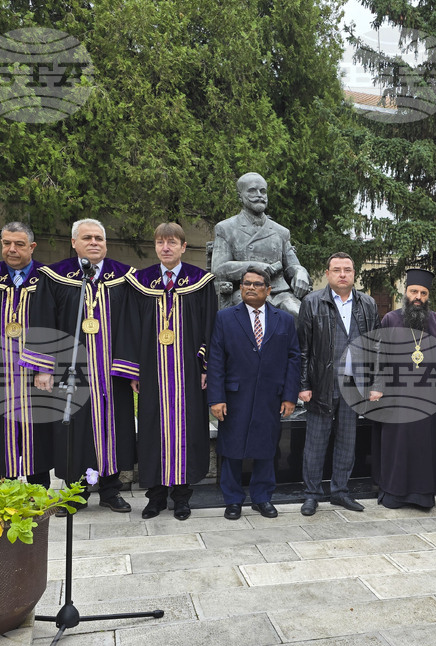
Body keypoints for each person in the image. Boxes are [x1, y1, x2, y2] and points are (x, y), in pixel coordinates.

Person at [40, 219, 139, 512]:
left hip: (112, 372)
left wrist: (131, 368)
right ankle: (75, 492)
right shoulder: (56, 276)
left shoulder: (124, 277)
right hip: (72, 370)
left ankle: (111, 490)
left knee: (114, 427)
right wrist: (44, 368)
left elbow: (133, 324)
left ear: (106, 244)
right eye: (87, 237)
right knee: (73, 429)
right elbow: (45, 321)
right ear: (74, 243)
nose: (94, 242)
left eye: (99, 238)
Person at [128, 223, 216, 521]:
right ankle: (154, 497)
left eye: (171, 242)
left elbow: (210, 328)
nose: (165, 247)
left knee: (187, 431)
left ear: (183, 247)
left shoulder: (200, 282)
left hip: (188, 372)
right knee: (152, 431)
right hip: (152, 373)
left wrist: (205, 367)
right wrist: (133, 371)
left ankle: (181, 497)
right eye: (160, 242)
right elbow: (131, 329)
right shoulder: (141, 282)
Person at [208, 266, 300, 520]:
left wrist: (290, 396)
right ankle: (233, 500)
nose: (250, 287)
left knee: (267, 448)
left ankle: (262, 498)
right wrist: (216, 398)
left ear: (268, 290)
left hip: (270, 397)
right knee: (232, 448)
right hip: (234, 397)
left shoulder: (284, 320)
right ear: (240, 287)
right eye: (246, 283)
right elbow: (216, 360)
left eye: (257, 284)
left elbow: (294, 359)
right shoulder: (225, 318)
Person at [0, 222, 55, 487]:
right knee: (0, 428)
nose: (12, 249)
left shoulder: (48, 278)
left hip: (35, 369)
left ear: (32, 247)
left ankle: (39, 488)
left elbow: (54, 323)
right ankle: (4, 488)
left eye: (19, 244)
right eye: (7, 243)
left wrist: (46, 368)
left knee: (36, 428)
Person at [296, 252, 379, 516]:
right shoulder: (311, 302)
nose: (342, 274)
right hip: (322, 384)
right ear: (328, 273)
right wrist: (303, 384)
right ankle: (311, 495)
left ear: (354, 273)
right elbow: (303, 349)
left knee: (347, 441)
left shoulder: (368, 304)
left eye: (347, 270)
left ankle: (340, 492)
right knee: (316, 443)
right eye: (337, 270)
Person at [371, 268, 436, 510]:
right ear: (406, 292)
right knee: (396, 446)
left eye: (423, 292)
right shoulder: (390, 319)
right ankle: (393, 494)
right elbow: (379, 357)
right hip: (396, 397)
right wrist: (378, 387)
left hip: (427, 399)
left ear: (428, 295)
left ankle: (422, 496)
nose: (418, 296)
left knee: (424, 448)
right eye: (414, 291)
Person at [211, 172, 311, 316]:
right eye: (252, 191)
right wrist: (255, 267)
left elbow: (292, 265)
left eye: (263, 191)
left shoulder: (281, 231)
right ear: (240, 196)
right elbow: (219, 269)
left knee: (298, 313)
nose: (259, 195)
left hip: (279, 292)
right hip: (246, 290)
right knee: (257, 312)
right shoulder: (226, 228)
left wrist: (300, 272)